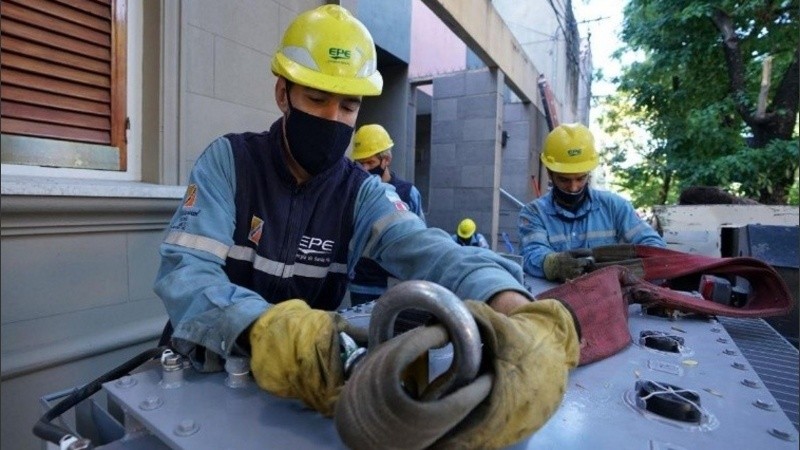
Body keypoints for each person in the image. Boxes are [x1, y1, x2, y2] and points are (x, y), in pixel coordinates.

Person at [153, 6, 583, 428]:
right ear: (282, 93)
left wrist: (516, 306)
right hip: (201, 375)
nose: (332, 118)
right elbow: (188, 274)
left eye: (349, 106)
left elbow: (435, 253)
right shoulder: (231, 162)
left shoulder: (359, 194)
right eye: (317, 98)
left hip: (296, 399)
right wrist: (269, 330)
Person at [519, 123, 667, 282]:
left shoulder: (614, 206)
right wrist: (553, 265)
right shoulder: (534, 213)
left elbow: (653, 245)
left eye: (580, 178)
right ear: (550, 173)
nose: (573, 187)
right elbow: (532, 254)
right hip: (557, 300)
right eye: (564, 179)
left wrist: (628, 266)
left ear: (589, 173)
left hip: (609, 296)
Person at [348, 124, 425, 304]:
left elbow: (419, 236)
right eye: (360, 163)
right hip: (362, 283)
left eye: (370, 162)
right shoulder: (356, 192)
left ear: (386, 160)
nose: (364, 169)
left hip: (396, 283)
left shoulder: (408, 192)